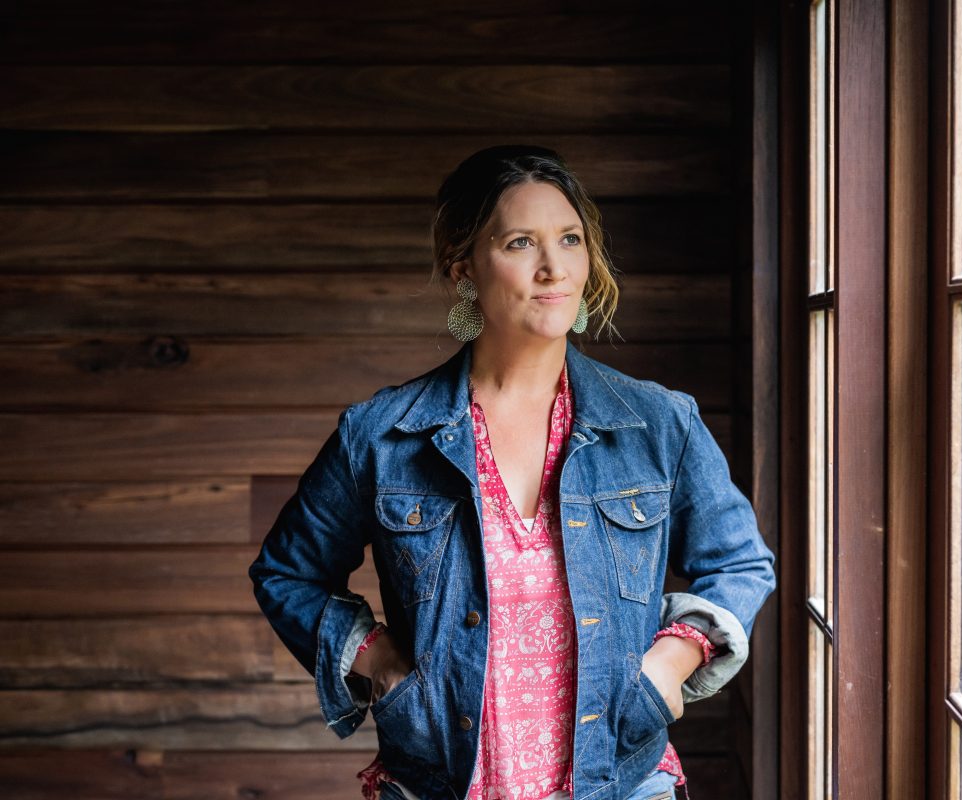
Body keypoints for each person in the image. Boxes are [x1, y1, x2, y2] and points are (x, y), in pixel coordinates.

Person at [248, 145, 776, 800]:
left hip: (621, 784)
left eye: (570, 239)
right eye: (522, 242)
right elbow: (286, 573)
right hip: (444, 784)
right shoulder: (383, 434)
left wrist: (670, 665)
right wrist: (376, 660)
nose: (554, 268)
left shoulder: (658, 422)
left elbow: (741, 564)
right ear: (463, 266)